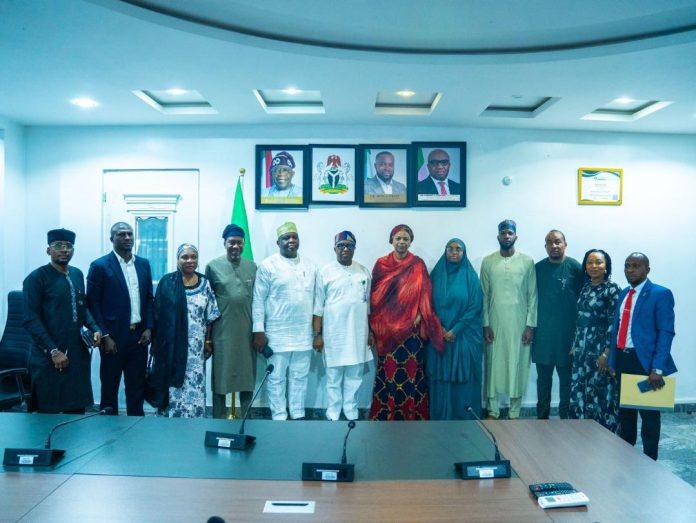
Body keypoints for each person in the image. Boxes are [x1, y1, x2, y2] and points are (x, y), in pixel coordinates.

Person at [23, 229, 102, 414]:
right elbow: (30, 320)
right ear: (48, 250)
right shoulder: (36, 278)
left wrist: (95, 328)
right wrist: (53, 351)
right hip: (48, 355)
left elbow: (82, 307)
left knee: (75, 413)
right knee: (47, 417)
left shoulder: (77, 274)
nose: (64, 250)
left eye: (68, 246)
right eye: (58, 245)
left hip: (76, 354)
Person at [369, 224, 443, 420]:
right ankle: (388, 413)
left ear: (411, 242)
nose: (401, 242)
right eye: (398, 238)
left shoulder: (418, 264)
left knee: (411, 372)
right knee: (389, 372)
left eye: (405, 239)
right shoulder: (381, 264)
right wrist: (385, 324)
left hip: (412, 331)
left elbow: (425, 295)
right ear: (391, 240)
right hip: (387, 333)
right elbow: (375, 298)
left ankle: (412, 413)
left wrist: (416, 318)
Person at [609, 253, 676, 460]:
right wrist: (613, 360)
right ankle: (627, 459)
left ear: (647, 269)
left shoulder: (660, 294)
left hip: (645, 363)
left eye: (636, 266)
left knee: (649, 416)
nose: (630, 270)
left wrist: (658, 368)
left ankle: (650, 461)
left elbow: (666, 333)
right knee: (625, 415)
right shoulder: (623, 293)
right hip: (623, 359)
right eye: (627, 265)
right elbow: (617, 329)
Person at [87, 222, 154, 416]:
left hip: (138, 338)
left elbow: (149, 299)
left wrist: (149, 327)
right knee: (110, 389)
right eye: (121, 234)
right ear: (112, 239)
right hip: (112, 339)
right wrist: (104, 335)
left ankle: (136, 428)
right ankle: (109, 431)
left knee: (137, 388)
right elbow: (92, 304)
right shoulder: (100, 266)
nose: (127, 238)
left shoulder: (143, 264)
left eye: (130, 234)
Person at [252, 222, 318, 420]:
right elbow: (258, 300)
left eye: (294, 237)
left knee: (300, 377)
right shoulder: (268, 266)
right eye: (286, 237)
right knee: (276, 378)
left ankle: (297, 415)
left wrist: (317, 332)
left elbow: (317, 301)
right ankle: (279, 416)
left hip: (303, 334)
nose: (291, 241)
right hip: (276, 334)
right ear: (278, 242)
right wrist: (258, 331)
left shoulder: (311, 266)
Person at [151, 244, 220, 418]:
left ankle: (194, 422)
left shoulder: (205, 283)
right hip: (171, 348)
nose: (189, 261)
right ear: (177, 259)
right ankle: (170, 424)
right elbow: (157, 315)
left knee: (194, 386)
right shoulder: (167, 282)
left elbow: (210, 316)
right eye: (185, 257)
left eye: (193, 257)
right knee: (172, 389)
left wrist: (208, 341)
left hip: (196, 350)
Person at [313, 231, 373, 421]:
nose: (345, 249)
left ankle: (350, 410)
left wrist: (370, 332)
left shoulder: (363, 271)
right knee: (333, 376)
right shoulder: (325, 272)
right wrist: (317, 334)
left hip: (358, 332)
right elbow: (318, 307)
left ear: (354, 249)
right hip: (334, 334)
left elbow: (368, 306)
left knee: (355, 375)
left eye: (349, 246)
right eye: (341, 246)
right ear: (335, 249)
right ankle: (333, 411)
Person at [481, 219, 537, 420]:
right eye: (503, 233)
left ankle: (514, 411)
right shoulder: (488, 261)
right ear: (498, 236)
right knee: (493, 364)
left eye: (510, 233)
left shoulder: (527, 262)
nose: (506, 236)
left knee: (518, 363)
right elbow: (484, 295)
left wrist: (530, 325)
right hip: (494, 322)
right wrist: (485, 324)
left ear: (515, 236)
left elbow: (532, 295)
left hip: (519, 323)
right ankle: (493, 410)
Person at [427, 238, 484, 420]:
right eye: (450, 248)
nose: (454, 252)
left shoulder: (470, 276)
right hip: (440, 337)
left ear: (463, 252)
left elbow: (475, 306)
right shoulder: (436, 275)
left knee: (464, 378)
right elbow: (427, 304)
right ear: (445, 251)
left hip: (464, 336)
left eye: (458, 249)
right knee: (440, 377)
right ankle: (441, 416)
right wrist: (440, 328)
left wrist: (455, 330)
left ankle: (464, 417)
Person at [205, 224, 257, 419]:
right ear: (224, 243)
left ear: (244, 244)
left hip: (246, 331)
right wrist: (208, 338)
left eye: (239, 243)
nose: (235, 246)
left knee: (246, 376)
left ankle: (246, 419)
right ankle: (218, 418)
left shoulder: (252, 267)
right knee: (221, 377)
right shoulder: (213, 266)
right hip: (222, 332)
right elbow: (207, 303)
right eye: (231, 242)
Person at [532, 230, 583, 419]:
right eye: (549, 242)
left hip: (567, 336)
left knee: (567, 382)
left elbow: (584, 302)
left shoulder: (576, 268)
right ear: (545, 246)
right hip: (543, 335)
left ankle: (565, 420)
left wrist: (577, 338)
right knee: (543, 381)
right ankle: (542, 419)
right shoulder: (537, 269)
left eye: (557, 242)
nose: (554, 246)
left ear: (565, 244)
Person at [569, 249, 621, 431]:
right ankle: (581, 431)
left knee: (599, 388)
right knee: (580, 387)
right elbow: (579, 318)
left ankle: (602, 433)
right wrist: (575, 344)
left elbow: (614, 323)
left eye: (599, 262)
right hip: (581, 347)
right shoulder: (585, 287)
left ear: (606, 266)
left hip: (599, 347)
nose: (594, 266)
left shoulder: (612, 289)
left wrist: (607, 353)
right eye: (590, 262)